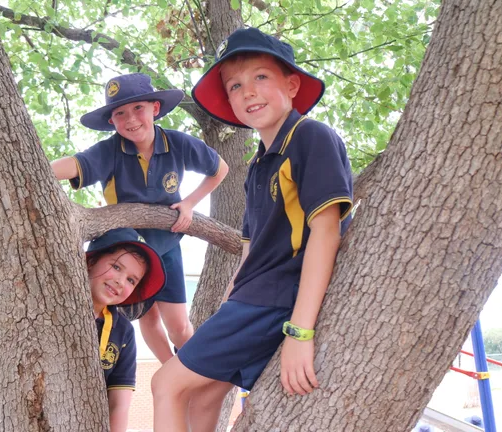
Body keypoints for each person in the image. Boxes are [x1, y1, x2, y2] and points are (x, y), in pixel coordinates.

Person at [151, 27, 354, 430]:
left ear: (292, 85)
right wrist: (229, 302)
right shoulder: (258, 163)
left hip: (275, 300)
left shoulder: (310, 137)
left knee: (164, 383)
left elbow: (327, 231)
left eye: (261, 77)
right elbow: (250, 246)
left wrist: (300, 331)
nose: (248, 92)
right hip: (249, 300)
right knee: (204, 396)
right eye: (235, 85)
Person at [51, 73, 229, 363]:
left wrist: (188, 203)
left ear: (155, 108)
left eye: (138, 109)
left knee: (180, 327)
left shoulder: (178, 143)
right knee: (147, 316)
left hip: (166, 241)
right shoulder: (110, 150)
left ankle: (197, 373)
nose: (130, 119)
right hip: (123, 243)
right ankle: (169, 371)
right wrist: (33, 170)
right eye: (120, 113)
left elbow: (219, 169)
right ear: (112, 121)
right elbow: (74, 165)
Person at [85, 228, 166, 432]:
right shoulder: (51, 306)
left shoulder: (123, 331)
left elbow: (119, 405)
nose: (121, 281)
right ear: (91, 261)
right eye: (116, 267)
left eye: (132, 280)